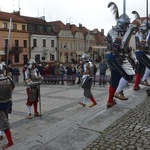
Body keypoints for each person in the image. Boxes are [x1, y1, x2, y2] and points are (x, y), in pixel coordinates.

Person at [106, 2, 137, 108]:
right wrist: (130, 30)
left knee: (115, 78)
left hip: (119, 57)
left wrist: (133, 58)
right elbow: (121, 45)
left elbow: (126, 49)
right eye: (127, 25)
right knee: (128, 75)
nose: (128, 26)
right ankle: (118, 92)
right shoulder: (112, 32)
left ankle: (110, 101)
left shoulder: (123, 33)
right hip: (113, 57)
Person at [132, 14, 150, 90]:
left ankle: (136, 85)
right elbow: (144, 44)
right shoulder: (142, 34)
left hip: (139, 53)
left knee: (140, 69)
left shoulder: (139, 33)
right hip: (141, 52)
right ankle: (143, 80)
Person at [0, 61, 15, 149]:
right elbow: (13, 87)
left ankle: (10, 142)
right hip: (7, 103)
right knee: (3, 120)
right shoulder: (8, 79)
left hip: (1, 105)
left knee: (4, 123)